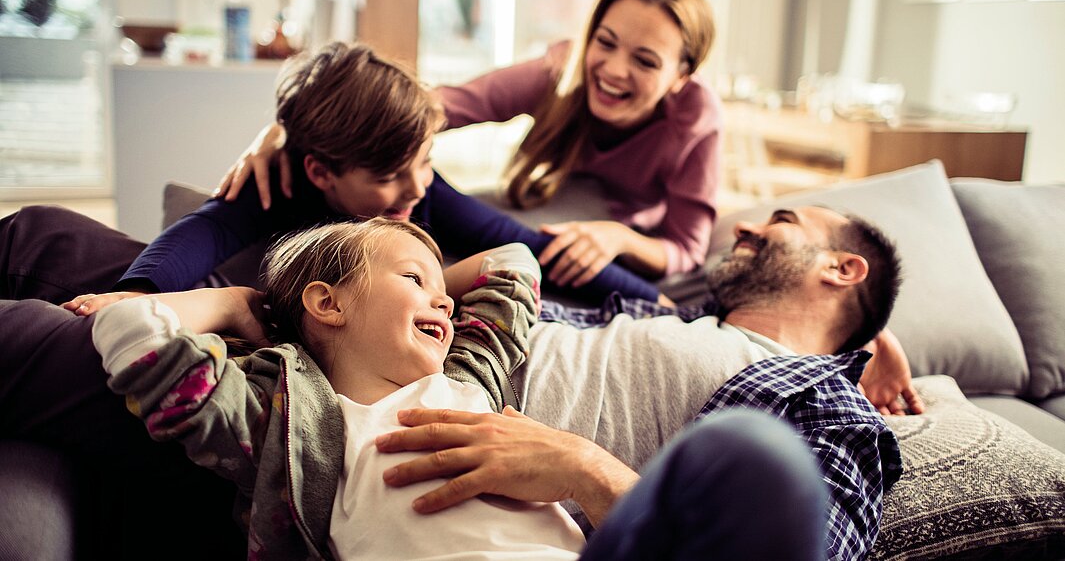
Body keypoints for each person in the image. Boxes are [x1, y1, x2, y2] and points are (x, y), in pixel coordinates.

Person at [88, 217, 829, 559]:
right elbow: (135, 339)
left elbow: (512, 263)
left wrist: (413, 284)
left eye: (442, 286)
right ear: (327, 304)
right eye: (416, 280)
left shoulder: (470, 376)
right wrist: (235, 303)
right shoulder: (285, 412)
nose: (445, 300)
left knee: (755, 452)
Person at [374, 205, 910, 561]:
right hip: (376, 390)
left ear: (843, 270)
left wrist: (583, 469)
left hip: (489, 529)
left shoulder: (831, 409)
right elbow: (496, 246)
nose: (745, 228)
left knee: (756, 450)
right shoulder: (669, 317)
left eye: (782, 220)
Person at [17, 40, 664, 314]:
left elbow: (519, 239)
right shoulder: (281, 193)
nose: (416, 188)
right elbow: (202, 232)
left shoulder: (421, 192)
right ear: (320, 172)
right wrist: (140, 293)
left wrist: (655, 301)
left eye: (426, 162)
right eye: (389, 176)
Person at [218, 0, 722, 290]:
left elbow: (687, 247)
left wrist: (620, 240)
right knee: (449, 218)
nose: (613, 69)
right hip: (546, 200)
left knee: (477, 247)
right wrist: (289, 130)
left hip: (615, 228)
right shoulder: (560, 71)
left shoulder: (695, 118)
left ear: (681, 74)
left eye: (645, 61)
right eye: (605, 42)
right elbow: (428, 110)